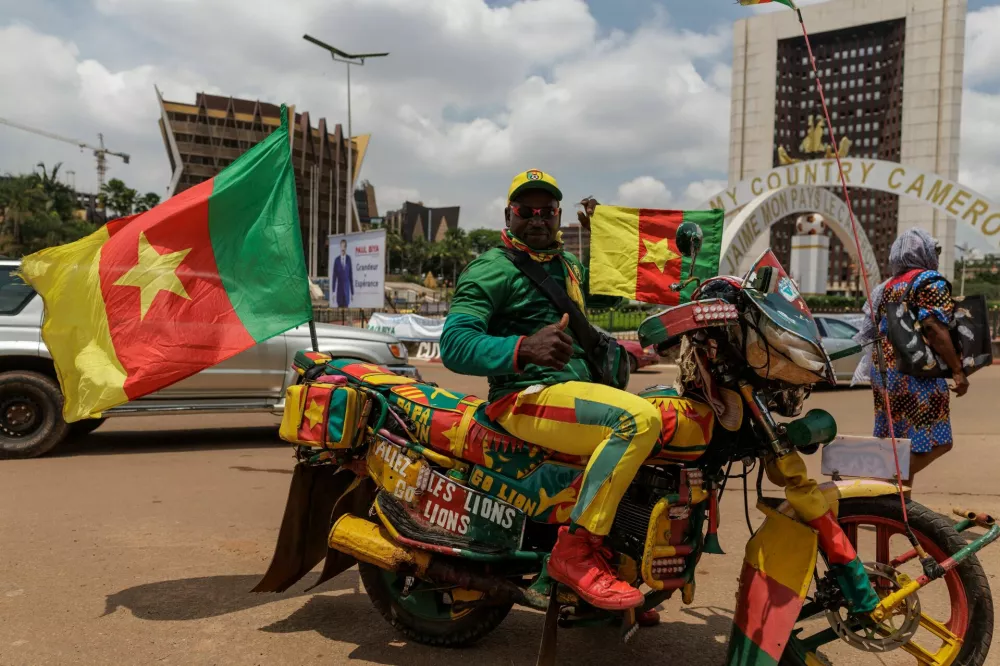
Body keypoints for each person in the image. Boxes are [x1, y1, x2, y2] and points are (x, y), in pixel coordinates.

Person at [440, 169, 662, 611]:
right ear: (509, 214)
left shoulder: (568, 266)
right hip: (524, 397)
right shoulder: (492, 269)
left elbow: (609, 301)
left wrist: (606, 244)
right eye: (527, 210)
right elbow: (454, 344)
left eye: (547, 211)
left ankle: (615, 561)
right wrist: (523, 348)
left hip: (572, 391)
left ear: (558, 215)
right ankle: (573, 553)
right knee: (637, 421)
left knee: (669, 423)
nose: (538, 219)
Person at [853, 228, 968, 495]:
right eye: (934, 251)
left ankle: (894, 508)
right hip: (917, 373)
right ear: (924, 253)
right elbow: (933, 327)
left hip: (885, 372)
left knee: (899, 443)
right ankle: (878, 488)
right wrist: (958, 370)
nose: (936, 256)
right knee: (940, 442)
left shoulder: (888, 285)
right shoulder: (930, 281)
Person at [331, 238, 353, 308]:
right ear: (340, 247)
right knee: (339, 313)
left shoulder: (349, 259)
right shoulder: (336, 260)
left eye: (344, 246)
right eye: (342, 246)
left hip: (346, 291)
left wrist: (352, 293)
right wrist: (333, 291)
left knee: (346, 312)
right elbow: (334, 277)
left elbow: (350, 276)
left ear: (346, 247)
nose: (343, 248)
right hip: (339, 291)